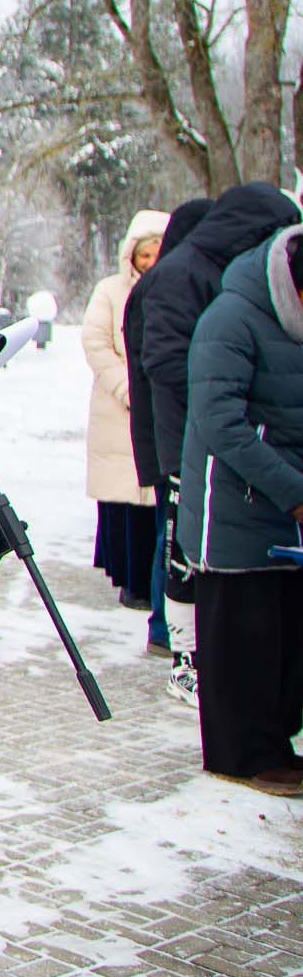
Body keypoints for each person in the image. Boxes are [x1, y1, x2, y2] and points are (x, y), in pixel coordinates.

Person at [135, 181, 301, 705]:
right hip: (186, 439)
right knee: (184, 556)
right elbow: (164, 360)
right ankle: (183, 656)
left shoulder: (225, 272)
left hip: (220, 443)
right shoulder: (182, 274)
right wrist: (233, 392)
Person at [177, 222, 303, 797]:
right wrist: (292, 490)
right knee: (244, 641)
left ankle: (273, 742)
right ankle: (243, 754)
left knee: (283, 639)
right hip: (235, 508)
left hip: (283, 503)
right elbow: (220, 422)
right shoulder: (230, 318)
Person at [127, 196, 213, 654]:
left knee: (173, 531)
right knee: (172, 536)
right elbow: (158, 366)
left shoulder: (166, 281)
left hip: (165, 432)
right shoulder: (166, 285)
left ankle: (167, 624)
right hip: (169, 434)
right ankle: (164, 628)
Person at [85, 210, 171, 611]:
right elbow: (96, 343)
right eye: (144, 255)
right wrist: (128, 388)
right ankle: (129, 579)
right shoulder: (110, 291)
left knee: (155, 501)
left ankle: (154, 581)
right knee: (123, 499)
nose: (150, 263)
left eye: (158, 254)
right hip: (118, 410)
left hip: (158, 407)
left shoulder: (175, 290)